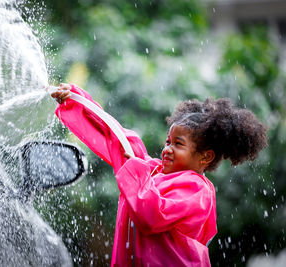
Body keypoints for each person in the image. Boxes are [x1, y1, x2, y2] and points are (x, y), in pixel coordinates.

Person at [51, 83, 267, 266]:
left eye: (178, 144)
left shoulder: (197, 190)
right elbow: (114, 136)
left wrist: (136, 168)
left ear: (205, 157)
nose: (167, 149)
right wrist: (75, 99)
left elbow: (152, 214)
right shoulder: (151, 171)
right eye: (168, 142)